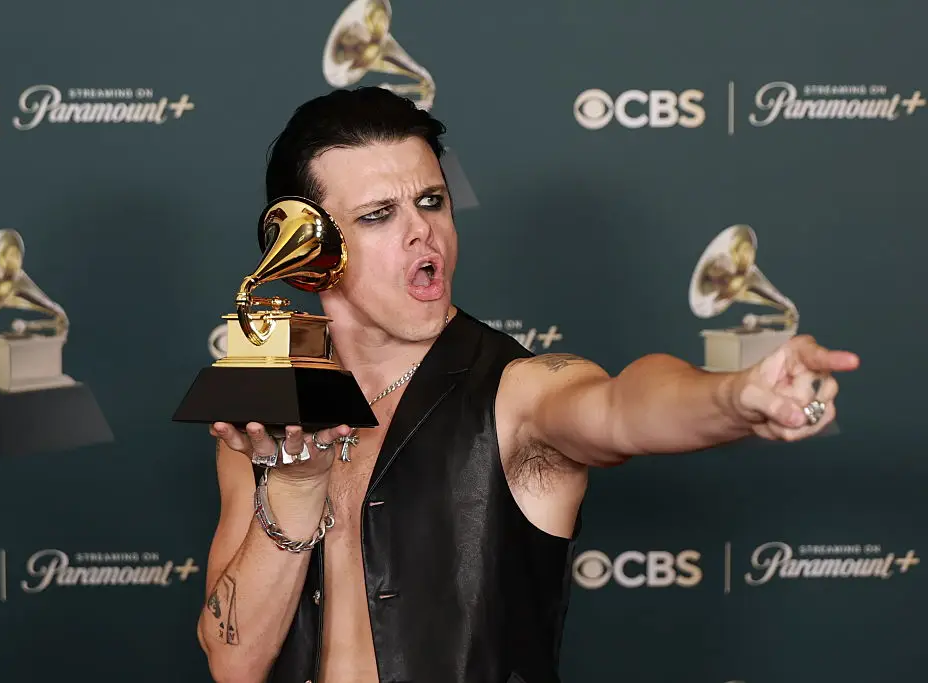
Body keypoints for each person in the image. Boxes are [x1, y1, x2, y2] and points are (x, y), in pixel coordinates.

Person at [196, 86, 859, 683]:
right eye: (378, 215)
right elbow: (233, 658)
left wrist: (734, 396)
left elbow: (623, 407)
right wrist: (293, 485)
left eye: (432, 201)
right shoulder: (266, 414)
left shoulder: (516, 391)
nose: (422, 230)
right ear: (308, 250)